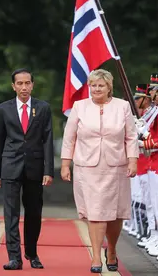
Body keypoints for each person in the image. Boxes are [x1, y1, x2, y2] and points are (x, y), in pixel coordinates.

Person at [60, 69, 138, 273]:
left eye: (100, 85)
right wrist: (65, 164)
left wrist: (133, 161)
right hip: (87, 167)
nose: (96, 89)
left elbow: (131, 136)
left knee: (115, 214)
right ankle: (96, 256)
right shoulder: (79, 106)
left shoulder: (122, 106)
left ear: (109, 87)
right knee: (95, 213)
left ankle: (111, 250)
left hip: (116, 166)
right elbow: (69, 138)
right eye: (93, 85)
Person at [0, 68, 54, 270]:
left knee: (34, 212)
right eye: (20, 83)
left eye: (27, 83)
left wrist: (48, 170)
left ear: (32, 85)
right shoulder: (4, 109)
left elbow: (48, 141)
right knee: (11, 213)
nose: (24, 87)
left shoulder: (43, 108)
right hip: (10, 166)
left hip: (35, 168)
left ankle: (32, 253)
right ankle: (14, 257)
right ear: (13, 86)